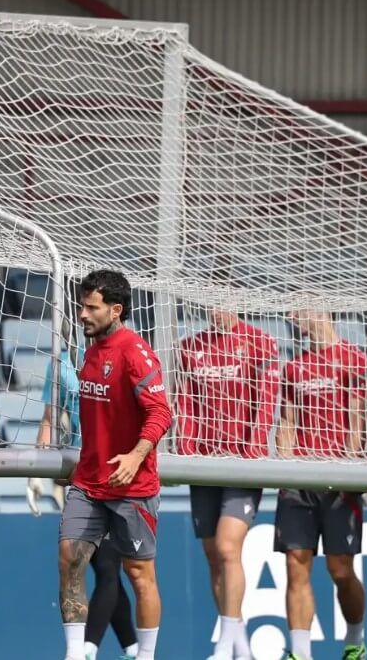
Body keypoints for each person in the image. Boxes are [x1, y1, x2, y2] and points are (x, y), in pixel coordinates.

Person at [58, 270, 172, 660]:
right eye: (82, 306)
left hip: (131, 485)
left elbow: (160, 413)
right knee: (70, 559)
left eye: (92, 308)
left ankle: (146, 655)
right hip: (89, 482)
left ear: (116, 309)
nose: (83, 314)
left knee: (139, 575)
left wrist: (136, 456)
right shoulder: (89, 351)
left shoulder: (136, 353)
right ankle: (75, 653)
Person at [174, 307, 278, 660]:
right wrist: (186, 445)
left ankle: (224, 644)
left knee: (227, 547)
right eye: (208, 304)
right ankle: (240, 645)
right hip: (204, 464)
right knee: (212, 555)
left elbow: (266, 400)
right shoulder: (190, 347)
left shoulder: (260, 342)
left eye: (220, 302)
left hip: (242, 465)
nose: (214, 310)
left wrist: (254, 449)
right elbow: (185, 400)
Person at [274, 310, 367, 660]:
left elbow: (358, 420)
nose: (291, 317)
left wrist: (352, 470)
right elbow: (286, 421)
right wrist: (285, 469)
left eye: (298, 310)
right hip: (299, 481)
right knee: (295, 563)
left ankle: (355, 639)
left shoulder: (353, 360)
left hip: (338, 481)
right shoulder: (294, 367)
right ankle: (300, 653)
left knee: (340, 570)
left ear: (320, 310)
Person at [38, 335, 138, 660]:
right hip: (80, 475)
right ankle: (133, 650)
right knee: (97, 565)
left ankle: (85, 650)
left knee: (107, 566)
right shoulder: (62, 364)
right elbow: (50, 417)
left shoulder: (120, 355)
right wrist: (38, 471)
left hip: (114, 474)